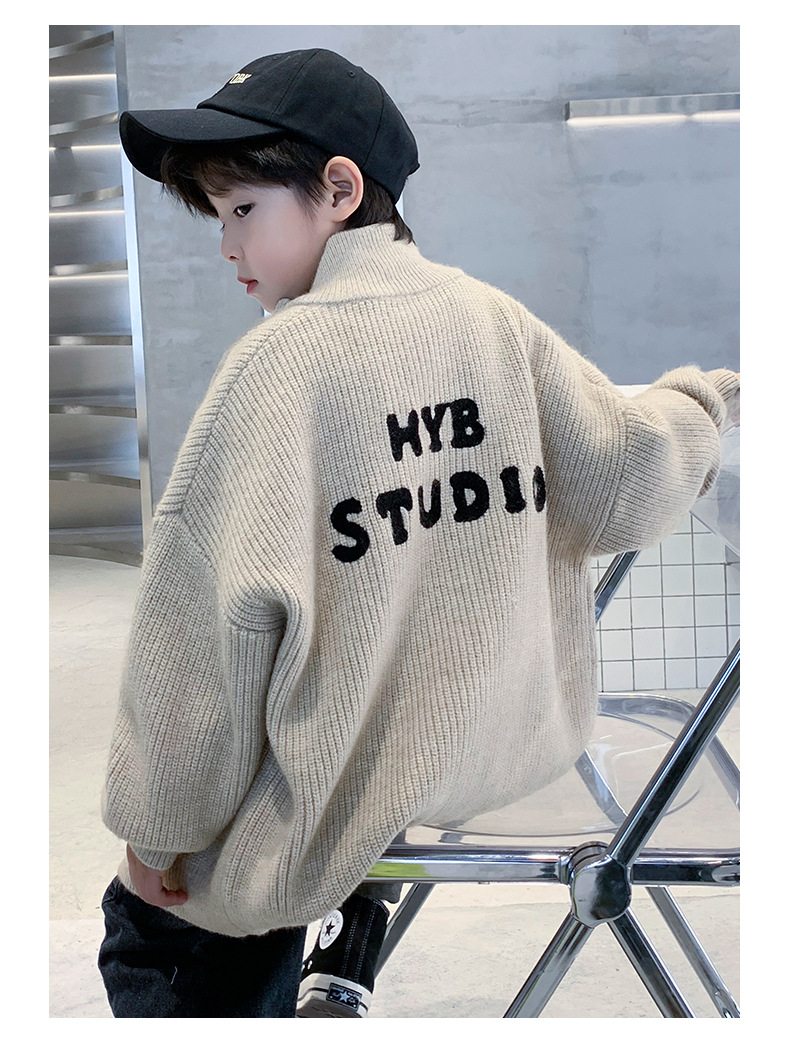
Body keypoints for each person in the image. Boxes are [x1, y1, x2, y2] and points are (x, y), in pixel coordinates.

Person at [97, 47, 739, 1019]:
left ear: (339, 189)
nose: (227, 247)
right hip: (508, 746)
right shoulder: (494, 323)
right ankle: (351, 922)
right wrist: (703, 399)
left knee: (150, 927)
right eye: (219, 218)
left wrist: (155, 831)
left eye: (243, 211)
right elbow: (631, 477)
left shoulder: (277, 371)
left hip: (354, 785)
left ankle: (321, 925)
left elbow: (200, 649)